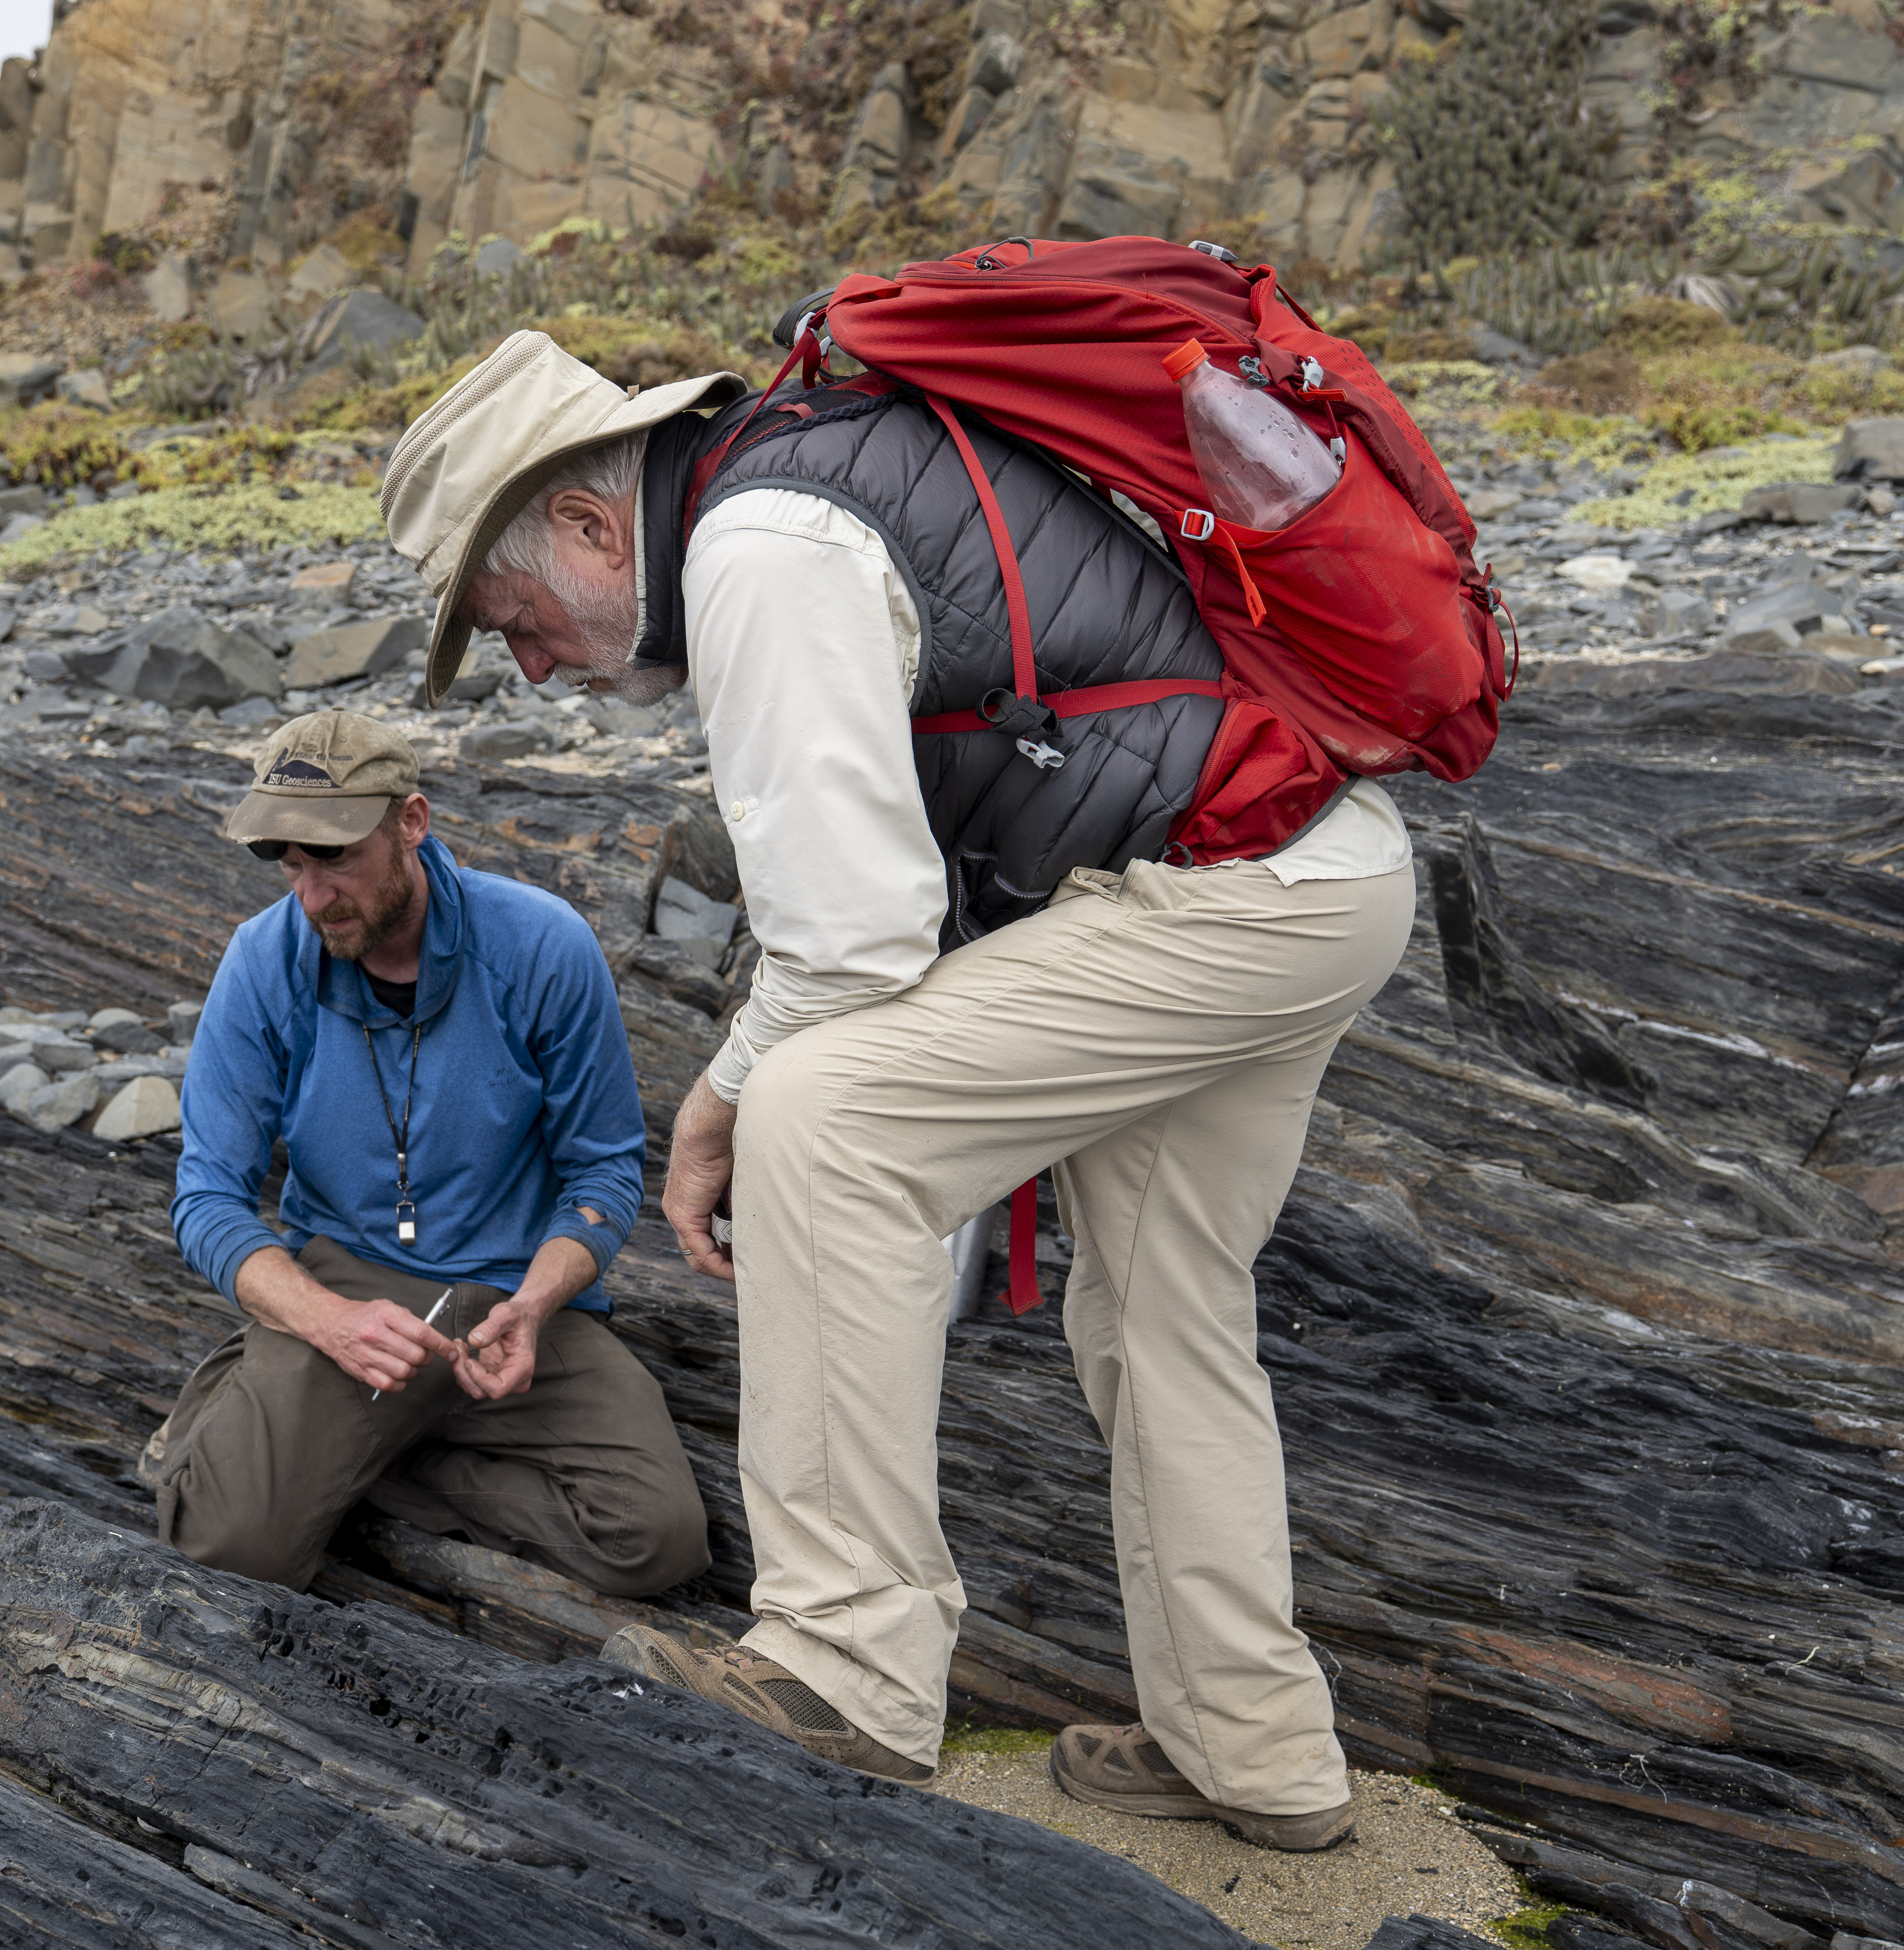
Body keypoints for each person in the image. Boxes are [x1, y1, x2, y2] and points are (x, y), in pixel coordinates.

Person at [373, 332, 1416, 1849]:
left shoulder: (758, 546)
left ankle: (845, 1657)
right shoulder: (808, 471)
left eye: (511, 616)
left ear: (595, 529)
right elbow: (891, 912)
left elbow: (854, 948)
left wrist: (721, 1097)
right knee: (1159, 1308)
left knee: (822, 1122)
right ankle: (1256, 1750)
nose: (530, 668)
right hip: (1317, 867)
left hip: (1226, 901)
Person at [147, 708, 709, 1601]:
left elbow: (603, 1170)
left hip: (516, 1303)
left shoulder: (542, 943)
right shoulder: (264, 961)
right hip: (347, 1288)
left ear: (412, 820)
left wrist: (536, 1301)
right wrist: (324, 1318)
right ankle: (276, 1424)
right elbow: (207, 1196)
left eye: (335, 857)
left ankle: (368, 1457)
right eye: (289, 863)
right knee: (227, 1543)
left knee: (655, 1538)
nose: (313, 896)